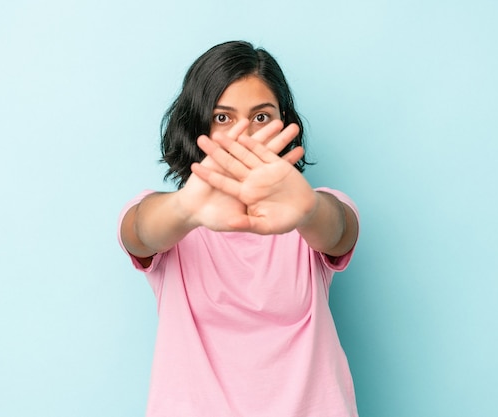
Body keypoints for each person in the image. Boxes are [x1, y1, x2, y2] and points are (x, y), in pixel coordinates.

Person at [118, 40, 360, 417]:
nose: (242, 136)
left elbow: (340, 229)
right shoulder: (171, 218)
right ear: (197, 124)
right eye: (222, 118)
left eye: (261, 117)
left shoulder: (309, 212)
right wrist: (185, 207)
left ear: (284, 123)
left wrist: (310, 209)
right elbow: (139, 232)